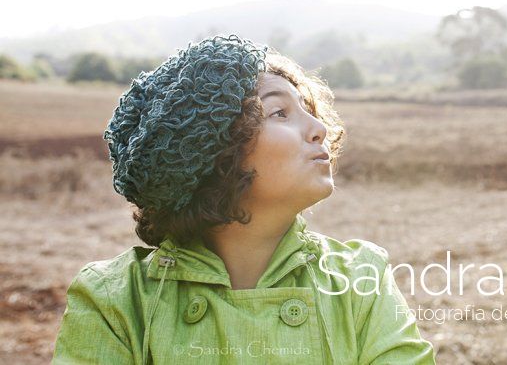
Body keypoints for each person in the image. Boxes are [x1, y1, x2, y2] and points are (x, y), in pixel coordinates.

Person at [52, 34, 436, 364]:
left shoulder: (359, 278)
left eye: (309, 111)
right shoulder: (115, 300)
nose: (319, 129)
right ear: (208, 149)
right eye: (280, 112)